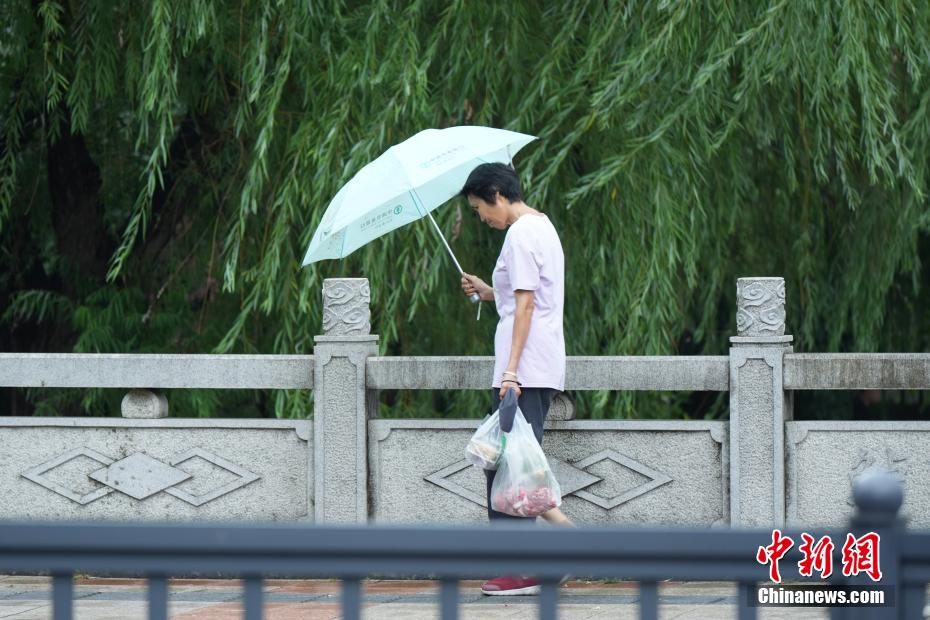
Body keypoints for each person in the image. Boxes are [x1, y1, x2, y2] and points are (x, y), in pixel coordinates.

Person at [459, 162, 574, 596]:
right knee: (514, 462)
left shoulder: (521, 234)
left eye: (478, 209)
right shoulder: (541, 226)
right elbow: (522, 297)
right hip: (532, 365)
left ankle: (523, 568)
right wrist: (489, 291)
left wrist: (510, 373)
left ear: (496, 194)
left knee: (506, 467)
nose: (481, 217)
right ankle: (566, 542)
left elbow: (526, 306)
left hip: (522, 369)